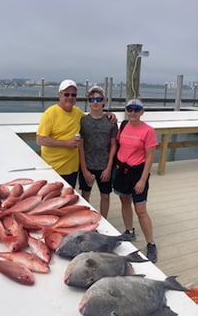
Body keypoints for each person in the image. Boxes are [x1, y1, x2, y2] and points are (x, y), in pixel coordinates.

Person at [36, 79, 117, 188]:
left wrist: (107, 114)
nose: (70, 97)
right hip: (54, 169)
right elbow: (40, 139)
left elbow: (94, 116)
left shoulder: (77, 112)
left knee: (68, 199)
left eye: (73, 95)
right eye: (67, 94)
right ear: (60, 95)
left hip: (72, 169)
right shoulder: (50, 113)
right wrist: (66, 143)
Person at [113, 99, 158, 263]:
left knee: (141, 210)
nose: (132, 112)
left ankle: (151, 243)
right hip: (122, 171)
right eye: (129, 109)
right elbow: (119, 145)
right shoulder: (123, 126)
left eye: (136, 109)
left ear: (142, 112)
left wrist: (142, 180)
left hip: (138, 173)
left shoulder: (148, 131)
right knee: (125, 201)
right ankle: (129, 231)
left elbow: (150, 156)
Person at [78, 86, 118, 218]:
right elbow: (81, 146)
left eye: (99, 99)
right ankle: (87, 219)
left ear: (104, 101)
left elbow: (113, 145)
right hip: (88, 165)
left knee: (105, 195)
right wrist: (84, 170)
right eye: (92, 99)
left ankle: (104, 219)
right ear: (88, 102)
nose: (95, 102)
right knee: (85, 195)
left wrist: (108, 168)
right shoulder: (83, 121)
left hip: (104, 166)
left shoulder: (111, 121)